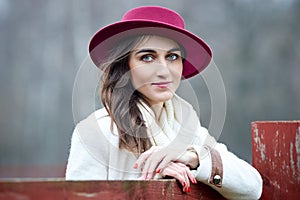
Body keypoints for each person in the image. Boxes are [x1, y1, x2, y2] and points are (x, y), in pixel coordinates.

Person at [66, 6, 262, 199]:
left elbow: (253, 187)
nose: (164, 71)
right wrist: (155, 180)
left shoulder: (187, 127)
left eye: (172, 57)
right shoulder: (94, 131)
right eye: (148, 57)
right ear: (125, 65)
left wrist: (191, 157)